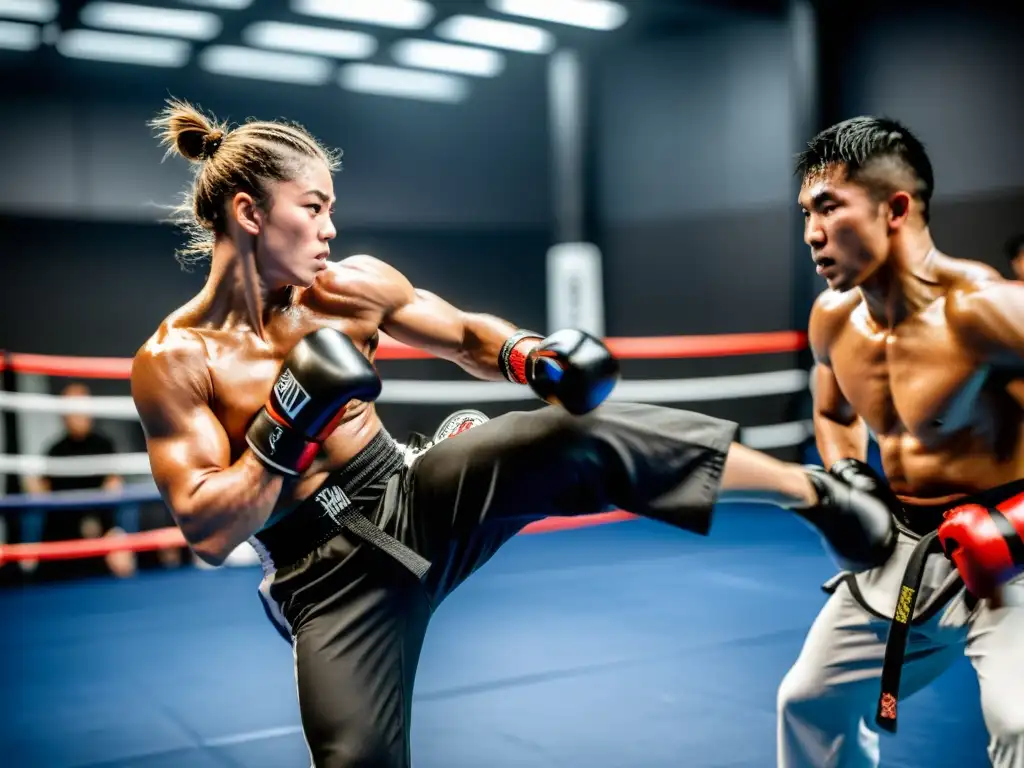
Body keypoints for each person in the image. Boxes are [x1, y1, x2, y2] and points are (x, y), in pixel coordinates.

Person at [131, 99, 897, 768]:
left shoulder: (346, 289)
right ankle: (460, 446)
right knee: (354, 758)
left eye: (332, 208)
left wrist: (535, 358)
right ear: (248, 211)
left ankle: (816, 493)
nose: (331, 228)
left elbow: (466, 334)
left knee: (572, 437)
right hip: (322, 577)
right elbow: (205, 528)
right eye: (313, 207)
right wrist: (285, 427)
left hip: (409, 493)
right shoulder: (175, 361)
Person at [777, 116, 1024, 767]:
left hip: (1011, 551)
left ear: (896, 208)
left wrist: (1017, 526)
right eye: (805, 212)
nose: (811, 234)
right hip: (904, 545)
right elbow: (830, 413)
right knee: (808, 701)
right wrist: (850, 472)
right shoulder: (833, 319)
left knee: (1020, 723)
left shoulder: (988, 313)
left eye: (828, 208)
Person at [23, 382, 135, 580]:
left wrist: (114, 533)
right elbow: (42, 491)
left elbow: (114, 486)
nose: (79, 414)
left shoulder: (103, 444)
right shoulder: (55, 450)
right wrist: (33, 486)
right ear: (63, 415)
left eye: (83, 407)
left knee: (121, 552)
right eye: (73, 408)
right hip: (63, 530)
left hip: (99, 528)